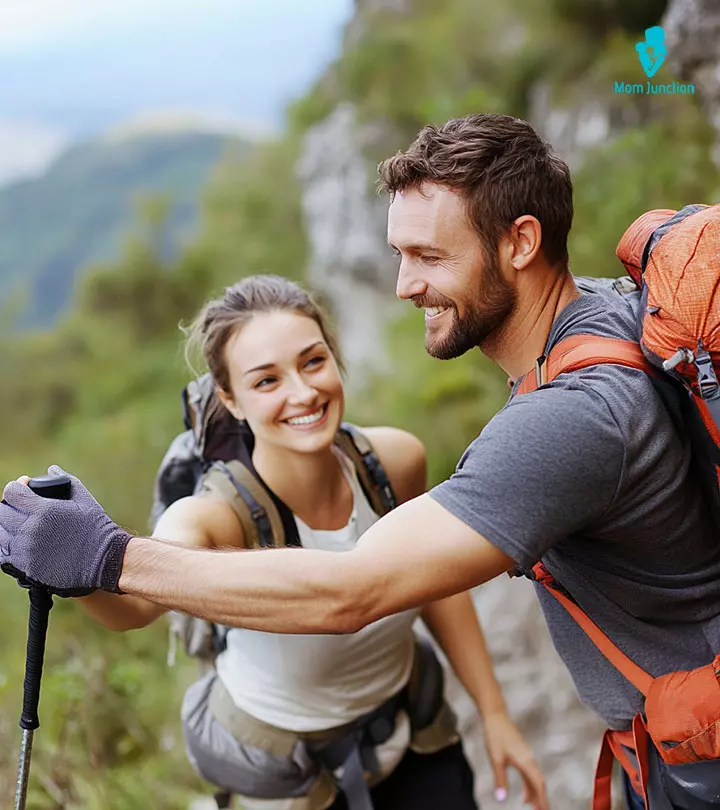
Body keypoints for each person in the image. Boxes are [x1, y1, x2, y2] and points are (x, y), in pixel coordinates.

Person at [3, 112, 720, 808]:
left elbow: (353, 592)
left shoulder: (568, 417)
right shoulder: (606, 313)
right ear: (228, 397)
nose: (406, 285)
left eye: (430, 257)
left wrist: (106, 554)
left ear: (520, 243)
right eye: (400, 254)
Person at [2, 273, 546, 810]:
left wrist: (493, 713)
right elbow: (138, 604)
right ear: (230, 399)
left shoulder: (392, 462)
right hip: (291, 783)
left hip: (411, 742)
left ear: (336, 359)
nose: (303, 392)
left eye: (313, 361)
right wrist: (73, 559)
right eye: (266, 381)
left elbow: (434, 582)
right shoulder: (219, 515)